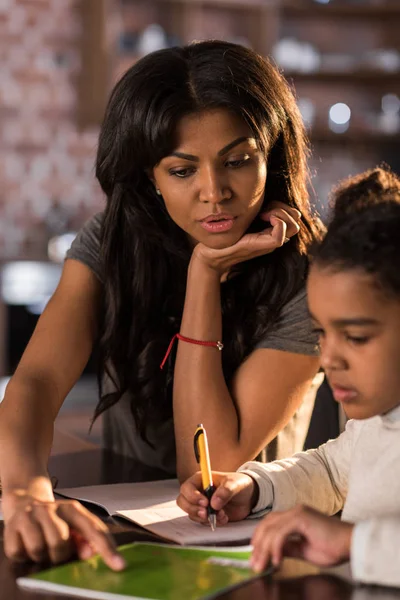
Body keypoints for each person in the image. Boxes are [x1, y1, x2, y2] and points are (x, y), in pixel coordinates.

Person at [0, 40, 322, 568]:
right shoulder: (112, 241)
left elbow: (207, 464)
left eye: (238, 161)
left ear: (273, 156)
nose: (214, 192)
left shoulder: (311, 270)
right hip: (125, 520)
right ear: (148, 176)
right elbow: (35, 380)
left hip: (248, 545)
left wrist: (204, 274)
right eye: (182, 170)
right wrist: (27, 496)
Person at [178, 167, 400, 588]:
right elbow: (331, 473)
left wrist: (354, 542)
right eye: (321, 332)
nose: (329, 357)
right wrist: (254, 488)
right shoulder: (375, 421)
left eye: (355, 336)